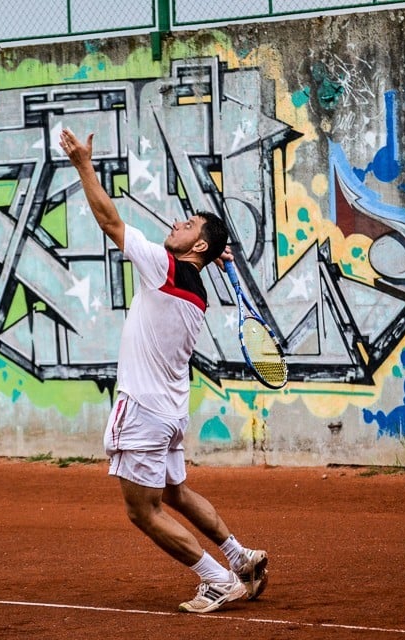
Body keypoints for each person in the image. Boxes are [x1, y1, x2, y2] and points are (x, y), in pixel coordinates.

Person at [59, 128, 268, 614]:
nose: (178, 222)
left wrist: (83, 165)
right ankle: (239, 557)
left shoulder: (167, 268)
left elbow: (110, 221)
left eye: (190, 223)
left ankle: (216, 580)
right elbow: (195, 253)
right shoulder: (194, 284)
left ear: (198, 248)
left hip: (145, 411)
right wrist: (212, 253)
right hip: (170, 412)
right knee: (174, 491)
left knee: (143, 510)